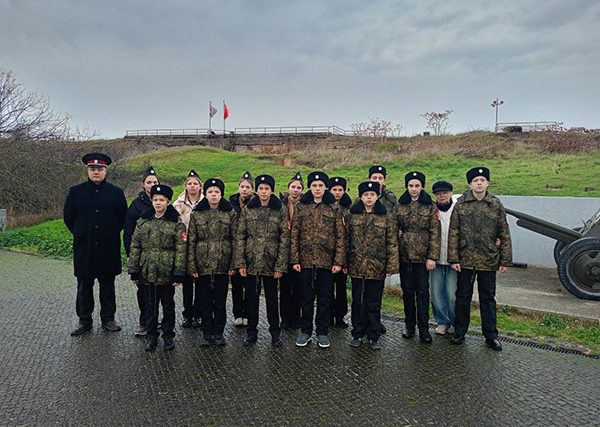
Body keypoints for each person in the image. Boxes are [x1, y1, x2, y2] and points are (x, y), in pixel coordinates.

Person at [448, 167, 512, 351]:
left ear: (488, 183)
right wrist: (454, 258)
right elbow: (454, 232)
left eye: (482, 180)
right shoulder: (461, 204)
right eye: (475, 180)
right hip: (466, 259)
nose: (479, 183)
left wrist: (504, 260)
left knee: (488, 298)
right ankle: (459, 332)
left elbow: (504, 233)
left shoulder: (495, 204)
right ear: (470, 184)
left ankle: (491, 335)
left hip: (488, 259)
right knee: (462, 297)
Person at [64, 153, 127, 336]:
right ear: (87, 171)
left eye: (100, 169)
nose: (96, 172)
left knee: (108, 285)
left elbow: (122, 218)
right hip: (85, 247)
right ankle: (84, 320)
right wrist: (81, 233)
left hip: (108, 247)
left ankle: (108, 319)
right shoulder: (75, 192)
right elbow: (69, 217)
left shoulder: (116, 193)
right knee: (84, 286)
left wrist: (110, 232)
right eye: (92, 169)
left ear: (106, 170)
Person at [128, 185, 187, 351]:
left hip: (166, 272)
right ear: (151, 201)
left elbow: (181, 249)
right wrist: (134, 269)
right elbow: (135, 246)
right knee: (150, 307)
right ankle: (151, 336)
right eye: (155, 200)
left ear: (168, 202)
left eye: (162, 200)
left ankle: (168, 336)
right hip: (147, 271)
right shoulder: (142, 222)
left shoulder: (176, 223)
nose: (158, 203)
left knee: (168, 306)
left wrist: (178, 272)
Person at [291, 171, 346, 348]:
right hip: (305, 261)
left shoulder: (334, 207)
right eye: (314, 186)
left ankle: (322, 332)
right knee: (306, 298)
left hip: (326, 261)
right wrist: (295, 259)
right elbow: (294, 234)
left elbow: (340, 237)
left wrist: (338, 261)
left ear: (325, 187)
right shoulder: (301, 207)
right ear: (309, 187)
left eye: (320, 185)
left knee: (325, 299)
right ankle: (305, 331)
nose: (317, 189)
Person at [234, 174, 290, 347]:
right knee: (251, 299)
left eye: (267, 189)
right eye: (261, 188)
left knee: (272, 300)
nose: (264, 192)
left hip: (271, 263)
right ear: (256, 190)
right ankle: (251, 332)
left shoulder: (280, 210)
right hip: (251, 262)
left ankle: (275, 333)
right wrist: (241, 263)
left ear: (271, 190)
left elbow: (284, 239)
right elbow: (241, 237)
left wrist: (280, 265)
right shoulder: (248, 209)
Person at [347, 182, 399, 350]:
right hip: (356, 265)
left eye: (372, 194)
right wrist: (344, 262)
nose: (369, 198)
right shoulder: (352, 215)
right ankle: (357, 333)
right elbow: (346, 240)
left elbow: (392, 242)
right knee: (358, 301)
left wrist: (391, 265)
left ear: (377, 196)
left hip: (377, 266)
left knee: (374, 302)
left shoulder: (385, 216)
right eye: (366, 194)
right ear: (361, 197)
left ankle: (373, 335)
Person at [187, 178, 236, 346]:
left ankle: (219, 333)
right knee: (205, 301)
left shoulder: (230, 213)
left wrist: (233, 264)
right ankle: (207, 333)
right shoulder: (197, 214)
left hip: (223, 264)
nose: (213, 195)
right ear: (205, 194)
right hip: (203, 265)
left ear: (221, 194)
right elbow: (191, 241)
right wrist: (192, 265)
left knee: (220, 302)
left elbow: (235, 240)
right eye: (210, 192)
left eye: (217, 192)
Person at [397, 171, 440, 344]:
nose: (414, 189)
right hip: (405, 256)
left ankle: (424, 329)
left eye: (417, 185)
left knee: (422, 293)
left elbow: (435, 233)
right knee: (407, 293)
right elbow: (393, 227)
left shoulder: (430, 205)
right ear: (406, 187)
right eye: (411, 186)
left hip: (423, 258)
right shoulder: (400, 204)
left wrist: (432, 257)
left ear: (422, 186)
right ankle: (409, 326)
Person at [123, 166, 159, 337]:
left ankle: (156, 320)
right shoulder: (136, 205)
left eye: (155, 182)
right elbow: (128, 232)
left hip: (161, 257)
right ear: (143, 185)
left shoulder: (163, 201)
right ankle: (144, 322)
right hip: (143, 256)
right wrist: (131, 256)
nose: (152, 185)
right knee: (143, 291)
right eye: (149, 182)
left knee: (160, 292)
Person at [173, 169, 204, 328]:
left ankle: (198, 314)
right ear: (185, 186)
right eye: (189, 183)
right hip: (184, 246)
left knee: (199, 283)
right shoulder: (177, 204)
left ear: (200, 186)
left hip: (200, 247)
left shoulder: (205, 203)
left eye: (195, 183)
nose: (192, 186)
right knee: (187, 284)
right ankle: (187, 314)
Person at [429, 180, 459, 336]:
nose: (442, 196)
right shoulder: (430, 210)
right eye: (438, 194)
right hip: (435, 259)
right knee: (436, 293)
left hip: (454, 260)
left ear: (451, 193)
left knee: (452, 293)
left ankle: (455, 322)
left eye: (445, 193)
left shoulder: (458, 209)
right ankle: (442, 322)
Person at [278, 172, 304, 329]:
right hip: (284, 252)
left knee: (299, 288)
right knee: (285, 288)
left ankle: (296, 318)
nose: (295, 190)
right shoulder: (281, 205)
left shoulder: (305, 205)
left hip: (300, 253)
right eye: (293, 187)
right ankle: (285, 319)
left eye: (298, 188)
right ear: (288, 188)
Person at [229, 171, 254, 327]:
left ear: (252, 189)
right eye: (242, 186)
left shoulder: (255, 203)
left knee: (250, 286)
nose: (244, 189)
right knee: (236, 284)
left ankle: (249, 313)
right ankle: (238, 313)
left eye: (247, 187)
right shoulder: (230, 203)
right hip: (234, 247)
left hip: (250, 247)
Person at [328, 176, 352, 328]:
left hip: (343, 254)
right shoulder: (326, 205)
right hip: (327, 254)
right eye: (334, 189)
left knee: (341, 288)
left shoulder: (349, 208)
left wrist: (345, 260)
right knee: (327, 288)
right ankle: (328, 315)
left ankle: (340, 316)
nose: (337, 193)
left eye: (340, 190)